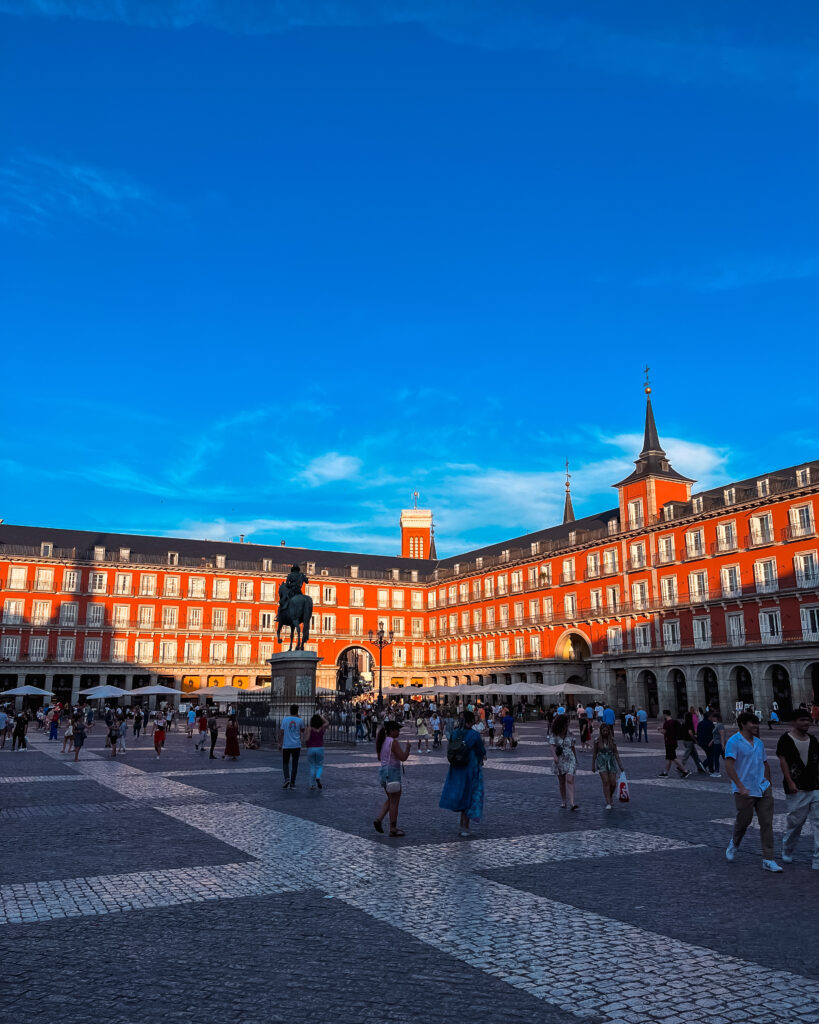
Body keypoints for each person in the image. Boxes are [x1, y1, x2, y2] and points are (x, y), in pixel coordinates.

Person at [724, 710, 782, 872]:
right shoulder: (734, 741)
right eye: (753, 723)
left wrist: (768, 783)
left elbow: (765, 763)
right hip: (745, 789)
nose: (756, 726)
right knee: (744, 821)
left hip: (763, 788)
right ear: (743, 724)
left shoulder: (759, 742)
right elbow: (729, 765)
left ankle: (768, 859)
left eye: (757, 723)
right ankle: (734, 843)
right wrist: (740, 786)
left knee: (767, 823)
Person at [776, 709, 819, 870]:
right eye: (802, 720)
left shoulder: (813, 740)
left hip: (815, 786)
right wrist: (790, 781)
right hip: (797, 788)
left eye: (808, 720)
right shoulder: (785, 739)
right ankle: (787, 849)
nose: (806, 723)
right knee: (795, 823)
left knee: (818, 823)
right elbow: (783, 761)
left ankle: (817, 859)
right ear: (793, 722)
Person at [440, 709, 486, 837]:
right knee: (469, 794)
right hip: (470, 768)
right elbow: (481, 751)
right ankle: (465, 827)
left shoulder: (455, 733)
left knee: (460, 793)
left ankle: (461, 825)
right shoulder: (474, 735)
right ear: (471, 721)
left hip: (456, 768)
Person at [374, 720, 411, 836]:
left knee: (390, 799)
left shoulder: (382, 741)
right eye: (397, 730)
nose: (399, 732)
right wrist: (408, 749)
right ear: (391, 731)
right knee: (395, 801)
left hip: (383, 772)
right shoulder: (393, 742)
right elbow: (403, 757)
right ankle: (393, 828)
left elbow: (380, 757)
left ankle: (379, 819)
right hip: (393, 773)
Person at [591, 723, 624, 809]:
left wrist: (620, 765)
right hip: (601, 762)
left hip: (611, 761)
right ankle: (608, 802)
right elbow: (594, 753)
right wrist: (593, 765)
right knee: (605, 782)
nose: (605, 732)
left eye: (607, 731)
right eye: (603, 731)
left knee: (613, 783)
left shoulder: (612, 740)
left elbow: (616, 752)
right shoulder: (597, 740)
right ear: (601, 732)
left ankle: (610, 795)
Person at [551, 714, 578, 810]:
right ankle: (563, 800)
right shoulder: (555, 733)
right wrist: (555, 757)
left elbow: (573, 746)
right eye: (566, 722)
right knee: (562, 782)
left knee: (570, 779)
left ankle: (572, 802)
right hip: (560, 759)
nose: (568, 724)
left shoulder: (570, 733)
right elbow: (552, 745)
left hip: (570, 758)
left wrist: (576, 758)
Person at [658, 710, 690, 778]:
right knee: (669, 758)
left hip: (669, 742)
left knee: (673, 758)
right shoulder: (674, 721)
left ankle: (685, 771)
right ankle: (665, 772)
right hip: (674, 741)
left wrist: (659, 730)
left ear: (665, 714)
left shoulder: (666, 723)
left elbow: (665, 732)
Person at [279, 704, 304, 789]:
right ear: (297, 711)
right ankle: (292, 782)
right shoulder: (300, 720)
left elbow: (281, 732)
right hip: (296, 745)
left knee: (285, 763)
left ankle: (287, 779)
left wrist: (279, 743)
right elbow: (303, 730)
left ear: (290, 710)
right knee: (295, 764)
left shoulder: (285, 720)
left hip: (286, 745)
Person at [679, 706, 707, 773]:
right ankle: (680, 767)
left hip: (685, 740)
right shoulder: (689, 723)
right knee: (686, 755)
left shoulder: (683, 723)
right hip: (689, 741)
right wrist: (695, 740)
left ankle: (700, 767)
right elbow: (690, 732)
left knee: (695, 755)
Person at [305, 713, 328, 789]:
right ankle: (318, 777)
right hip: (320, 748)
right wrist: (321, 717)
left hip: (311, 748)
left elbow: (307, 739)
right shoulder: (322, 727)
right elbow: (327, 722)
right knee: (319, 765)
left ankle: (312, 784)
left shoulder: (309, 728)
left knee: (312, 766)